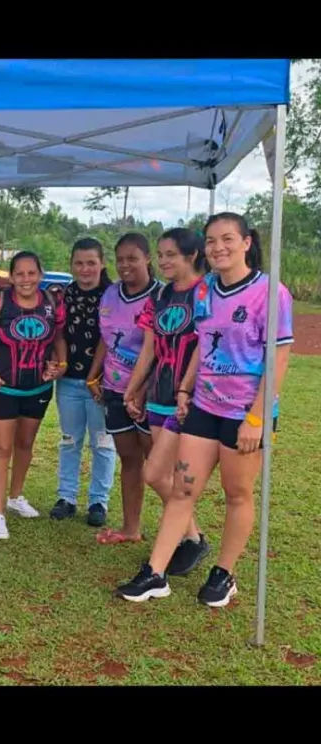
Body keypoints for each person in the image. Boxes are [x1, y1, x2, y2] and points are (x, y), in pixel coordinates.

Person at [116, 213, 294, 606]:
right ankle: (155, 573)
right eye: (211, 240)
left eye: (227, 239)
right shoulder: (205, 290)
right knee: (183, 488)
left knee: (237, 493)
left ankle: (224, 574)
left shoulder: (271, 292)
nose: (218, 247)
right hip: (204, 406)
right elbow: (203, 343)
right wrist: (185, 388)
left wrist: (256, 418)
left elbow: (278, 359)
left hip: (244, 413)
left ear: (246, 242)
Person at [121, 228, 211, 575]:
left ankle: (190, 539)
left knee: (159, 473)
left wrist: (187, 391)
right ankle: (191, 538)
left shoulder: (208, 293)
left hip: (190, 400)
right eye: (160, 255)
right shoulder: (159, 296)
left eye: (170, 254)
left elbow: (208, 347)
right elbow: (149, 350)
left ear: (192, 255)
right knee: (164, 475)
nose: (163, 261)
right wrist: (133, 389)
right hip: (158, 395)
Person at [0, 251, 67, 539]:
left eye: (31, 273)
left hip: (38, 387)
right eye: (20, 274)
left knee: (25, 444)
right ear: (11, 277)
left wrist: (60, 365)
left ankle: (15, 497)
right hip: (4, 387)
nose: (26, 279)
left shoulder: (52, 302)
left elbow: (59, 337)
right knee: (2, 448)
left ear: (40, 274)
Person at [86, 232, 160, 545]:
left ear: (147, 258)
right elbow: (107, 339)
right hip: (115, 391)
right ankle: (131, 528)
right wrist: (94, 375)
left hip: (149, 394)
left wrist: (140, 391)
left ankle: (186, 534)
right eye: (120, 260)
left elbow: (163, 350)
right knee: (129, 460)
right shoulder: (111, 294)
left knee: (158, 468)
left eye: (133, 258)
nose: (125, 265)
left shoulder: (161, 296)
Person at [50, 238, 116, 526]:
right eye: (79, 263)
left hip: (102, 383)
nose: (85, 269)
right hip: (69, 383)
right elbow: (57, 334)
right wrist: (59, 363)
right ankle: (66, 497)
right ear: (71, 265)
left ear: (102, 263)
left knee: (102, 443)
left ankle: (98, 501)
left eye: (91, 262)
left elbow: (111, 338)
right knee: (70, 440)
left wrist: (96, 377)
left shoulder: (113, 297)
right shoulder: (63, 296)